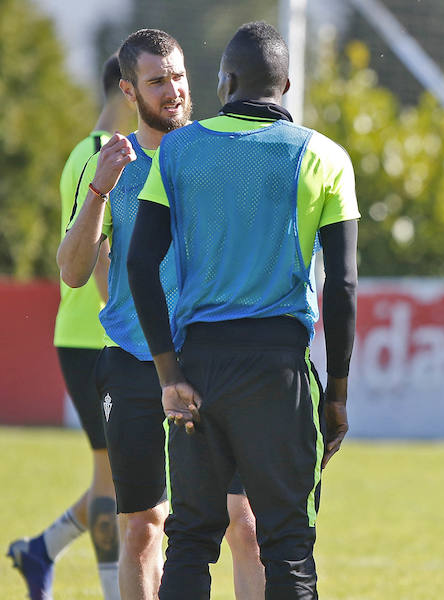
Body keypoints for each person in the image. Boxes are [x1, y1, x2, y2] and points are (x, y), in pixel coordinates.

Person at [125, 21, 358, 600]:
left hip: (198, 365)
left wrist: (168, 376)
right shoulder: (325, 156)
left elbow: (138, 266)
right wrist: (337, 394)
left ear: (225, 81)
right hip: (279, 371)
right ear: (285, 83)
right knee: (288, 546)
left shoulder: (178, 149)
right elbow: (345, 284)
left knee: (190, 542)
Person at [56, 29, 264, 600]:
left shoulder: (217, 155)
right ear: (128, 90)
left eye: (177, 77)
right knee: (143, 528)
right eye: (156, 81)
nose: (172, 90)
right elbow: (73, 272)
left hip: (211, 359)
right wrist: (100, 189)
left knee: (243, 521)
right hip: (131, 363)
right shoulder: (108, 163)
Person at [7, 53, 133, 600]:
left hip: (88, 337)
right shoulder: (104, 157)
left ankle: (40, 550)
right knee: (113, 482)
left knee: (122, 479)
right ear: (128, 90)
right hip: (96, 339)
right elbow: (99, 256)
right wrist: (131, 326)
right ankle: (111, 591)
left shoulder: (84, 152)